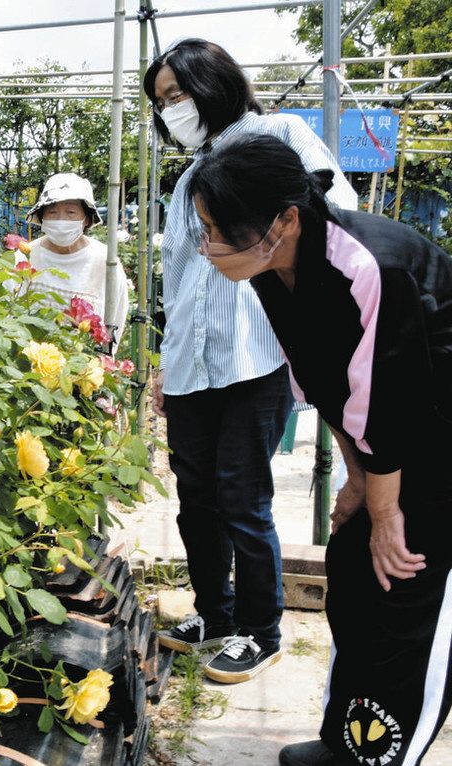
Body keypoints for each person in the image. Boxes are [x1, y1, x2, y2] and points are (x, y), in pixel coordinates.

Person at [190, 131, 452, 766]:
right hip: (394, 436)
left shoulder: (370, 266)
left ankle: (390, 753)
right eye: (204, 229)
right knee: (354, 570)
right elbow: (326, 381)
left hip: (439, 438)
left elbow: (392, 398)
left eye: (222, 232)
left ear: (287, 218)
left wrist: (386, 512)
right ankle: (349, 740)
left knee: (408, 579)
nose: (209, 247)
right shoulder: (269, 267)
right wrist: (360, 484)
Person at [143, 38, 358, 684]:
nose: (172, 110)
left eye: (178, 94)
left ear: (214, 85)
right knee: (195, 498)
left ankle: (261, 630)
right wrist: (162, 362)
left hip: (255, 357)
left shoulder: (279, 136)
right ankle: (216, 614)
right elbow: (179, 281)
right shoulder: (186, 181)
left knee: (242, 496)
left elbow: (334, 215)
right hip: (189, 367)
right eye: (162, 102)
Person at [16, 172, 130, 343]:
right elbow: (10, 315)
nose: (61, 220)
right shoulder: (25, 256)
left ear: (86, 219)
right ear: (42, 217)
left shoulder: (105, 261)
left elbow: (116, 319)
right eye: (52, 212)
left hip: (85, 363)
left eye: (70, 212)